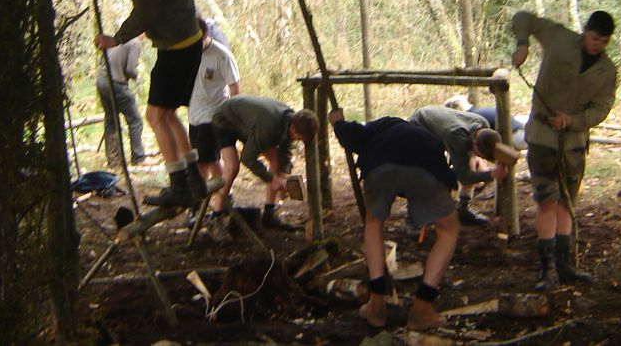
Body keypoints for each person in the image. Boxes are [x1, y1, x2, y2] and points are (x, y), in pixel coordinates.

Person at [93, 0, 206, 208]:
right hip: (184, 42)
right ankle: (193, 178)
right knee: (167, 115)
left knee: (155, 115)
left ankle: (180, 185)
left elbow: (147, 10)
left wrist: (117, 38)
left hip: (177, 47)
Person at [510, 9, 617, 291]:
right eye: (594, 38)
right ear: (585, 31)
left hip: (573, 143)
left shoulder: (607, 71)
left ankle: (565, 264)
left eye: (604, 42)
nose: (597, 45)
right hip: (543, 137)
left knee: (567, 203)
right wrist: (522, 43)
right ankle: (546, 269)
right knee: (546, 200)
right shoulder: (558, 38)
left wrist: (572, 121)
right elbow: (524, 17)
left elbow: (602, 107)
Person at [328, 109, 460, 331]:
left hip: (381, 168)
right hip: (425, 171)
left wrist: (338, 122)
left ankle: (377, 303)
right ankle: (422, 308)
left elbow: (353, 136)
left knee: (373, 223)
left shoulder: (385, 125)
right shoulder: (430, 138)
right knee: (449, 230)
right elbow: (443, 175)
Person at [211, 95, 319, 230]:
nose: (297, 141)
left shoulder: (291, 120)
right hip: (225, 119)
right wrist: (271, 179)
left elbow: (285, 152)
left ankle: (269, 214)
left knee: (276, 162)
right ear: (293, 129)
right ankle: (216, 216)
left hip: (250, 122)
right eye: (299, 138)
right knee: (232, 167)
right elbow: (247, 158)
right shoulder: (269, 129)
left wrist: (283, 179)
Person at [408, 105, 507, 226]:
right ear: (475, 143)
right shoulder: (457, 137)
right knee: (428, 174)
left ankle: (463, 208)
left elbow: (470, 161)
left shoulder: (482, 124)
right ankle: (412, 220)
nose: (482, 158)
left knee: (471, 163)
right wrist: (492, 174)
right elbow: (463, 176)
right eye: (481, 154)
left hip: (439, 122)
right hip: (418, 127)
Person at [187, 19, 242, 215]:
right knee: (211, 161)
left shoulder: (221, 55)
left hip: (213, 117)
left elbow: (235, 86)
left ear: (205, 35)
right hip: (193, 115)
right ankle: (224, 198)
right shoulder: (187, 54)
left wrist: (235, 116)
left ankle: (198, 206)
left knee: (202, 163)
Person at [96, 35, 152, 167]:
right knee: (135, 120)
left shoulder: (117, 38)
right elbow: (130, 69)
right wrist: (139, 77)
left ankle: (113, 161)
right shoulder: (135, 42)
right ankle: (138, 157)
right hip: (115, 83)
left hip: (101, 80)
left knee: (111, 119)